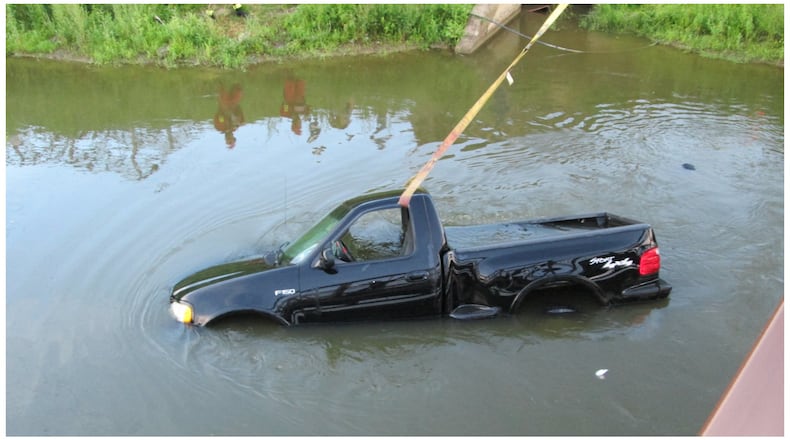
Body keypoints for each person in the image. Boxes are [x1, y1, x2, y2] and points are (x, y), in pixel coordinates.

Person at [213, 83, 245, 148]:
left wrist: (225, 118)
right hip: (232, 105)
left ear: (225, 138)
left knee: (223, 92)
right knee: (238, 91)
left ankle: (221, 82)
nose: (230, 136)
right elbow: (241, 115)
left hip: (225, 106)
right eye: (232, 138)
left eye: (229, 138)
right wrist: (239, 121)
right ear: (233, 136)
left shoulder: (220, 128)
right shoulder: (235, 127)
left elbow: (219, 116)